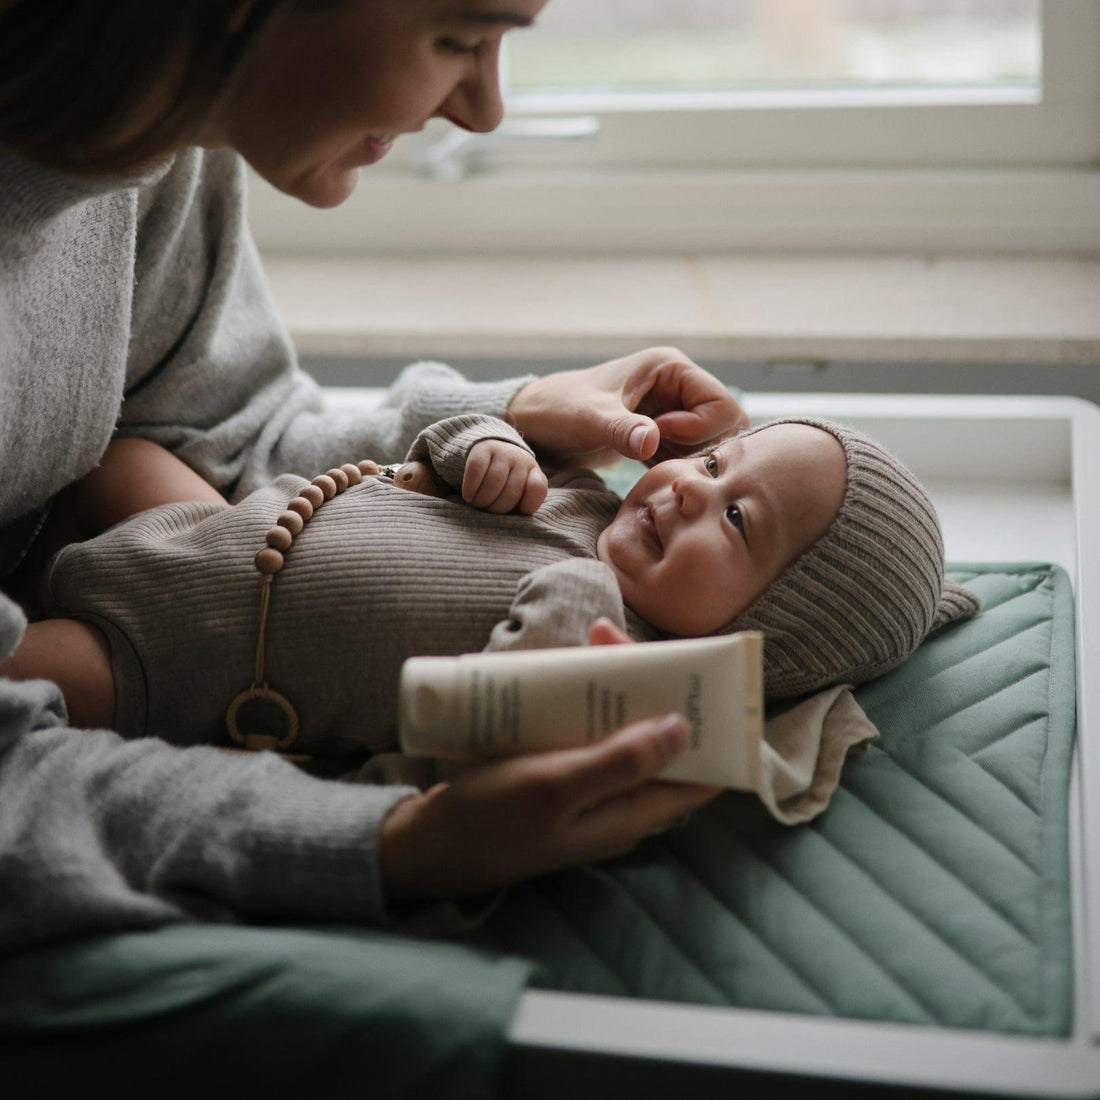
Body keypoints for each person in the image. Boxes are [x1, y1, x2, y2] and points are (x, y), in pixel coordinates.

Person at [0, 0, 750, 950]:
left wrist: (508, 420)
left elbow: (224, 435)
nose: (484, 115)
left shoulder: (157, 147)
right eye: (459, 40)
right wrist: (398, 842)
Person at [7, 399, 979, 839]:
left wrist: (574, 622)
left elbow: (481, 728)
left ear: (764, 629)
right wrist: (489, 444)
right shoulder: (585, 500)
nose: (686, 487)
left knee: (28, 673)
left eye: (735, 519)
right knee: (105, 440)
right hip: (226, 526)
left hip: (183, 653)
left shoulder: (611, 660)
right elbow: (435, 448)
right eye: (716, 461)